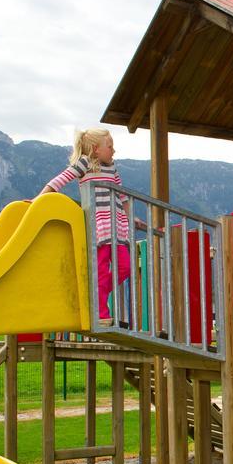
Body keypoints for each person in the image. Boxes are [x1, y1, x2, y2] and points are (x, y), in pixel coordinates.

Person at [38, 129, 132, 326]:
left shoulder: (113, 168)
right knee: (100, 268)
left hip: (118, 226)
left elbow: (122, 197)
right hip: (99, 226)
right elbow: (60, 180)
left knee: (125, 267)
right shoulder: (85, 164)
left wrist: (132, 218)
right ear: (96, 149)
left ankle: (98, 294)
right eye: (110, 146)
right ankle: (102, 313)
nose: (114, 150)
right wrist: (39, 199)